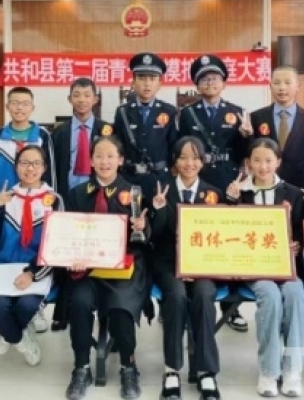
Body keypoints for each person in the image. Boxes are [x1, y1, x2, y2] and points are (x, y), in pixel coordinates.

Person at [64, 136, 151, 400]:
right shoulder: (77, 193)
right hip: (87, 266)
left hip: (123, 265)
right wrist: (73, 256)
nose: (105, 162)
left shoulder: (134, 193)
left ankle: (128, 366)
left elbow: (146, 237)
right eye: (99, 156)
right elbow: (67, 233)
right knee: (79, 303)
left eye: (111, 156)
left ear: (121, 160)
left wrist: (142, 228)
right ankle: (81, 367)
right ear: (91, 160)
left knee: (121, 306)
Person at [226, 138, 304, 398]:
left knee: (296, 295)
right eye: (257, 161)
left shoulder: (293, 193)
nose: (263, 166)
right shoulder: (239, 192)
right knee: (270, 295)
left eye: (268, 161)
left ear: (278, 162)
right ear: (248, 163)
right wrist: (230, 201)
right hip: (253, 268)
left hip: (286, 265)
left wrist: (298, 244)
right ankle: (269, 370)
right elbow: (225, 230)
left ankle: (293, 368)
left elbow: (302, 229)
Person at [178, 55, 254, 332]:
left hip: (225, 182)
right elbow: (180, 147)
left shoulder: (238, 112)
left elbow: (246, 154)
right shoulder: (187, 114)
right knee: (194, 236)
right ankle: (186, 299)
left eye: (214, 78)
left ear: (224, 82)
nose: (210, 83)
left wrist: (247, 136)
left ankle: (230, 307)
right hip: (196, 179)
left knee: (226, 240)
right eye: (204, 79)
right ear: (197, 85)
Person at [151, 136, 224, 400]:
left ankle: (206, 371)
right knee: (176, 295)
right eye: (183, 157)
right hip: (169, 261)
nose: (189, 163)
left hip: (204, 263)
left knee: (204, 295)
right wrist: (158, 210)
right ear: (175, 161)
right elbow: (153, 235)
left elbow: (224, 235)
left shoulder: (214, 193)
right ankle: (171, 369)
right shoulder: (161, 190)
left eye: (195, 157)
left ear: (202, 161)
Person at [0, 145, 63, 365]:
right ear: (16, 167)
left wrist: (32, 273)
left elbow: (56, 246)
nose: (30, 168)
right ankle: (19, 337)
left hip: (39, 269)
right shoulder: (5, 198)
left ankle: (7, 331)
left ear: (44, 168)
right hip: (5, 269)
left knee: (26, 305)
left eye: (36, 163)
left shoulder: (54, 200)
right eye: (24, 163)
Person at [51, 77, 113, 331]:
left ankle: (104, 311)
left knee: (98, 248)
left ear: (95, 99)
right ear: (69, 99)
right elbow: (54, 168)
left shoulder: (107, 129)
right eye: (77, 95)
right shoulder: (60, 132)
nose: (82, 100)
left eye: (87, 95)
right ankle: (63, 311)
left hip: (97, 195)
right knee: (69, 251)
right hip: (69, 197)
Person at [113, 52, 177, 195]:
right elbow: (117, 146)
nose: (147, 84)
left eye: (152, 78)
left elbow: (174, 146)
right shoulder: (122, 112)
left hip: (160, 179)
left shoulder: (169, 111)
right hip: (129, 179)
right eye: (141, 78)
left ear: (160, 84)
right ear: (133, 82)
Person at [250, 66, 304, 192]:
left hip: (300, 188)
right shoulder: (256, 117)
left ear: (298, 86)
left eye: (288, 83)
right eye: (277, 83)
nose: (282, 88)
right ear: (270, 86)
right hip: (264, 186)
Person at [0, 86, 56, 195]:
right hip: (2, 196)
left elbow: (50, 172)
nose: (19, 108)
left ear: (32, 108)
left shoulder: (42, 135)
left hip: (34, 198)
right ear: (7, 106)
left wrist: (50, 197)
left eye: (25, 104)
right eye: (14, 103)